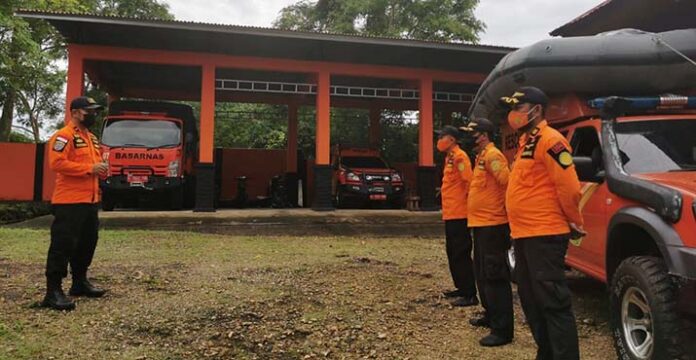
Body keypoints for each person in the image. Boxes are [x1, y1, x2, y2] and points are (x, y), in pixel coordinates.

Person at [501, 87, 586, 359]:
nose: (513, 114)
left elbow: (570, 188)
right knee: (530, 300)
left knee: (553, 302)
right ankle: (546, 352)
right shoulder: (527, 142)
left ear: (536, 110)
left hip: (545, 235)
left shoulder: (552, 141)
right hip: (524, 234)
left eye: (519, 107)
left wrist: (574, 221)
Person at [42, 96, 108, 311]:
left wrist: (102, 169)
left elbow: (95, 164)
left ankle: (79, 282)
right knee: (62, 245)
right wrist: (89, 169)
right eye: (90, 111)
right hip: (69, 201)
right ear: (77, 112)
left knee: (87, 242)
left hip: (90, 200)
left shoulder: (92, 138)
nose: (94, 114)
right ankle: (53, 291)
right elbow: (57, 163)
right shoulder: (64, 136)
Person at [460, 118, 514, 347]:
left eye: (472, 134)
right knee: (482, 273)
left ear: (483, 135)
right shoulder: (481, 157)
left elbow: (508, 185)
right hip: (481, 224)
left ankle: (502, 330)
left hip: (493, 225)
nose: (469, 138)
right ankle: (490, 315)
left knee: (495, 276)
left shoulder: (493, 156)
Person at [435, 125, 478, 307]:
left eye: (442, 137)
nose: (439, 140)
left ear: (452, 139)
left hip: (460, 214)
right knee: (453, 252)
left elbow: (469, 182)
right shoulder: (450, 157)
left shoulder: (460, 157)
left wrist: (471, 209)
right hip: (451, 213)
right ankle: (461, 287)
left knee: (461, 252)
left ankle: (470, 294)